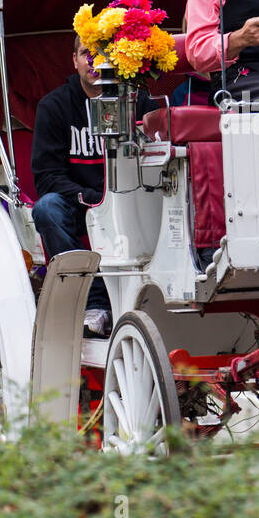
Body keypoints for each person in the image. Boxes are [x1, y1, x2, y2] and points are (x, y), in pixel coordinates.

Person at [31, 42, 155, 336]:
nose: (96, 61)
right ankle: (95, 301)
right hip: (78, 202)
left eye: (105, 54)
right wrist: (88, 197)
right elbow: (47, 176)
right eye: (88, 53)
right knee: (47, 208)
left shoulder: (140, 101)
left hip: (132, 198)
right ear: (74, 60)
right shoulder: (54, 106)